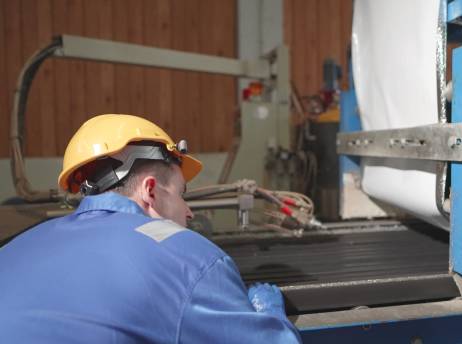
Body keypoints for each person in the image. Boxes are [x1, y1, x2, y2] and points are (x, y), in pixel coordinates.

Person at [0, 114, 301, 343]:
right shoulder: (190, 260)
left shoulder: (13, 249)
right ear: (151, 190)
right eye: (182, 194)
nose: (189, 211)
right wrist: (270, 310)